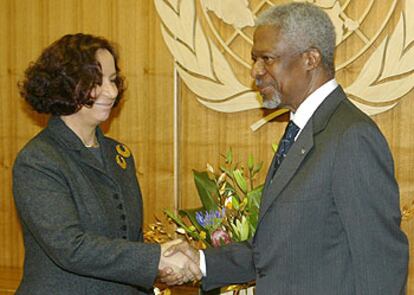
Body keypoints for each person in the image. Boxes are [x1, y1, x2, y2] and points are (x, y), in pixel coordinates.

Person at [162, 2, 409, 294]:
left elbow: (380, 266)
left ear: (311, 59)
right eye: (255, 59)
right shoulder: (302, 130)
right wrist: (201, 261)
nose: (255, 71)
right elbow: (275, 251)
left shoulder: (351, 137)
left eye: (267, 59)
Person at [13, 33, 200, 295]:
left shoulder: (118, 154)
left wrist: (161, 260)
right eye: (95, 82)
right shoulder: (38, 160)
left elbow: (126, 239)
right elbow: (70, 247)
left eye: (112, 80)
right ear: (64, 85)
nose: (111, 92)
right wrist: (156, 257)